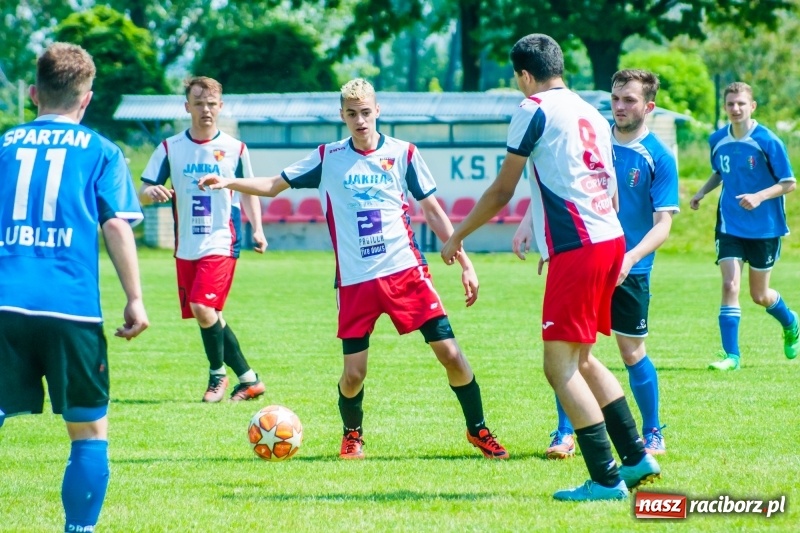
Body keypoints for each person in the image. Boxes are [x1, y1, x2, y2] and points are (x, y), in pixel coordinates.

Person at [197, 78, 508, 461]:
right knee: (354, 374)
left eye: (365, 112)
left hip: (405, 273)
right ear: (342, 116)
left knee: (451, 354)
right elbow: (274, 184)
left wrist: (465, 262)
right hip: (356, 282)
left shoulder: (404, 153)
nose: (360, 120)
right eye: (352, 114)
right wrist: (228, 180)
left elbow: (433, 211)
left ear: (377, 111)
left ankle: (478, 430)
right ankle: (352, 435)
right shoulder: (328, 156)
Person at [440, 34, 661, 501]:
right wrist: (551, 235)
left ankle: (604, 479)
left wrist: (457, 235)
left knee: (558, 367)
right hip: (607, 237)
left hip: (580, 246)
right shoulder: (590, 110)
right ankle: (637, 456)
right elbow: (607, 187)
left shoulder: (532, 109)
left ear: (524, 75)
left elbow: (502, 190)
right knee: (582, 357)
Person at [0, 42, 149, 532]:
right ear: (86, 99)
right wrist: (135, 299)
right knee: (88, 431)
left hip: (4, 301)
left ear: (32, 93)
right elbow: (117, 227)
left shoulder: (3, 146)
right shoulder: (103, 152)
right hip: (72, 309)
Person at [512, 69, 678, 458]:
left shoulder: (658, 156)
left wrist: (632, 257)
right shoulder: (594, 133)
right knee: (571, 347)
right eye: (615, 98)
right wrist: (534, 227)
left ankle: (651, 432)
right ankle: (564, 432)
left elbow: (664, 224)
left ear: (648, 106)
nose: (619, 107)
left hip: (629, 267)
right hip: (583, 253)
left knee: (630, 352)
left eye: (629, 100)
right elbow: (562, 181)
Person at [140, 76, 268, 402]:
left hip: (222, 241)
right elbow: (140, 193)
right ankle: (249, 379)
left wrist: (257, 228)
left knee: (202, 305)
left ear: (220, 106)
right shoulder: (170, 147)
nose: (206, 109)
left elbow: (249, 189)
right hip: (186, 247)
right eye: (199, 103)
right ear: (187, 107)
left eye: (212, 103)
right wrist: (150, 193)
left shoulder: (235, 149)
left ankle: (217, 376)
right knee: (211, 314)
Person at [690, 82, 799, 371]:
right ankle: (732, 357)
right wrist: (702, 192)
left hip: (765, 228)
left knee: (760, 295)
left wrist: (759, 196)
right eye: (730, 104)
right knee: (729, 285)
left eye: (741, 103)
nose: (735, 108)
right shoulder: (718, 139)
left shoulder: (768, 140)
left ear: (752, 107)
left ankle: (790, 322)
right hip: (729, 224)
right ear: (725, 107)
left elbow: (789, 183)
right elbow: (720, 172)